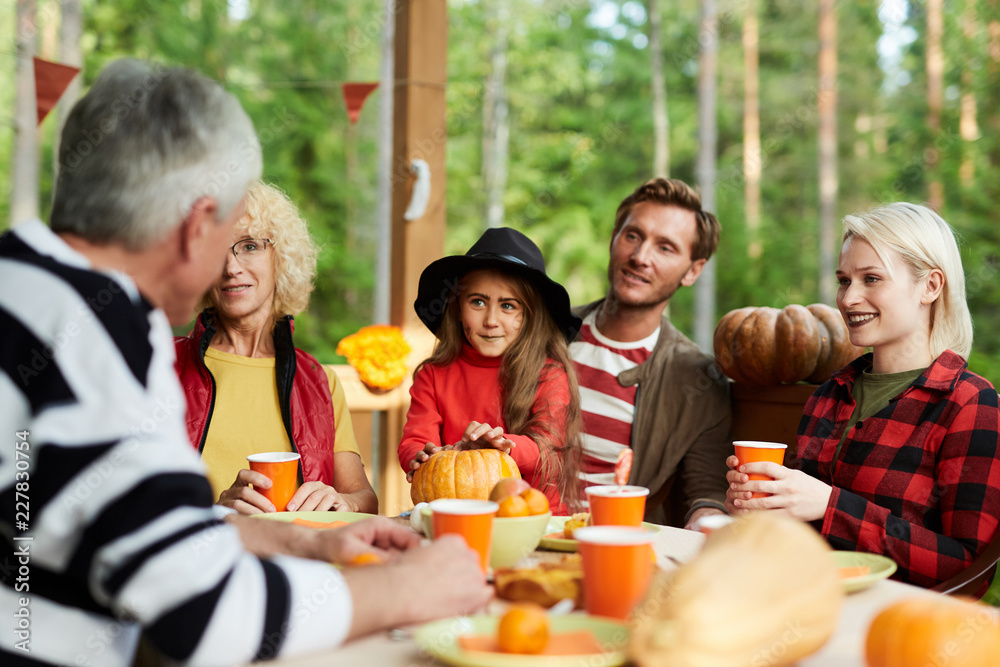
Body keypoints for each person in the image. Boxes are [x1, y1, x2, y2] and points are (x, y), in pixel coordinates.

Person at [0, 60, 490, 667]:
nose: (230, 266)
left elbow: (120, 534)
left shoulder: (27, 293)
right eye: (228, 233)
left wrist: (285, 537)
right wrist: (408, 588)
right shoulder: (95, 336)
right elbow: (199, 616)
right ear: (194, 227)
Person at [726, 203, 1000, 588]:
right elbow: (801, 533)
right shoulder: (828, 395)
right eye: (843, 280)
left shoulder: (970, 404)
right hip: (800, 601)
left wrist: (830, 506)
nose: (848, 298)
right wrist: (762, 504)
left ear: (931, 286)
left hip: (900, 624)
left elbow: (965, 567)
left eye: (871, 279)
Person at [175, 181, 377, 515]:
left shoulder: (319, 381)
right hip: (199, 561)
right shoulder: (163, 365)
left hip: (297, 561)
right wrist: (216, 514)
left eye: (250, 246)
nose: (231, 267)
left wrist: (341, 501)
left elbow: (364, 499)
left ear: (280, 257)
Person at [570, 178, 731, 528]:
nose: (640, 257)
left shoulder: (698, 379)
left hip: (614, 544)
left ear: (693, 270)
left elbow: (707, 490)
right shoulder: (545, 331)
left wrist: (709, 520)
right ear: (614, 237)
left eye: (665, 248)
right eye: (633, 236)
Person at [399, 227, 584, 514]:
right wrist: (423, 455)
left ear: (529, 317)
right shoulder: (433, 375)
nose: (491, 320)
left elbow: (545, 449)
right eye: (478, 302)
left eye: (508, 306)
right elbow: (415, 438)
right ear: (458, 307)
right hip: (456, 514)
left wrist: (501, 446)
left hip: (533, 518)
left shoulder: (548, 375)